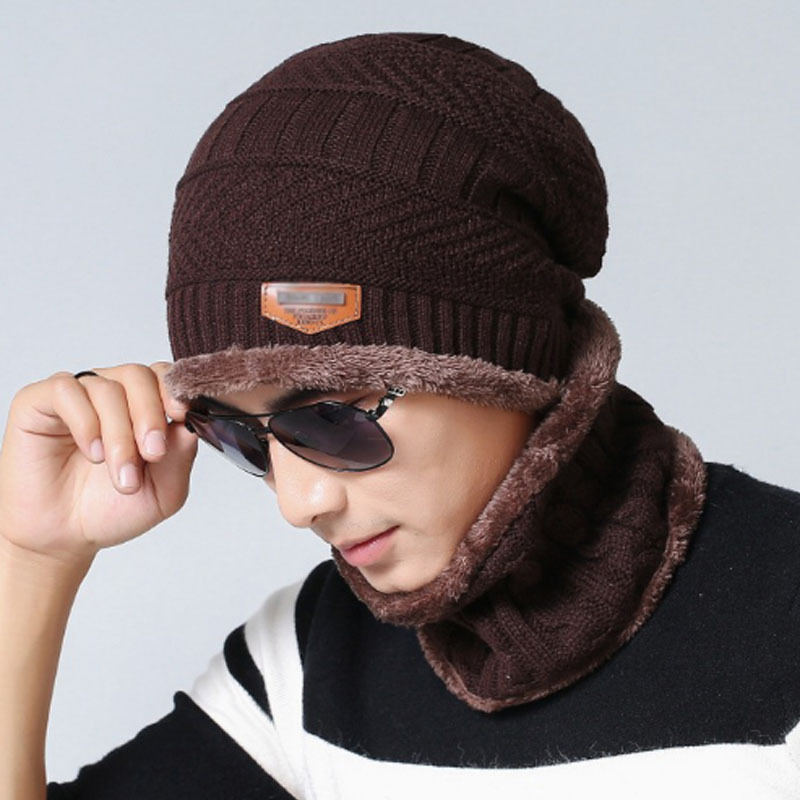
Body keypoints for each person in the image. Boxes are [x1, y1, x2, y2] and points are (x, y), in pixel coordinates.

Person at [1, 30, 798, 799]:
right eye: (242, 437)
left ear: (507, 364)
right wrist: (33, 556)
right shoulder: (307, 667)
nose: (297, 503)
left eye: (329, 417)